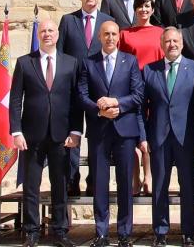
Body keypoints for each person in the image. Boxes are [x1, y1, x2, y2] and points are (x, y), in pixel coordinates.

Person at [9, 19, 83, 247]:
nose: (47, 34)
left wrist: (76, 131)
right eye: (43, 31)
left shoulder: (71, 63)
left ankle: (60, 231)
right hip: (31, 136)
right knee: (31, 185)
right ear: (38, 35)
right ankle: (31, 231)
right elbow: (15, 101)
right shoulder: (24, 63)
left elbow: (76, 102)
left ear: (58, 35)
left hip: (61, 135)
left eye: (51, 31)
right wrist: (16, 131)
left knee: (60, 184)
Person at [78, 21, 145, 247]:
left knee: (125, 183)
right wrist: (99, 109)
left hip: (125, 131)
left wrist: (117, 103)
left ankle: (125, 233)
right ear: (99, 37)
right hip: (99, 131)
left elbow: (138, 95)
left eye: (113, 34)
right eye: (105, 34)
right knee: (100, 183)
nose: (109, 37)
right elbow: (82, 95)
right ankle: (102, 232)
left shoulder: (130, 61)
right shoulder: (89, 63)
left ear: (119, 37)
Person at [141, 27, 194, 247]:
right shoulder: (149, 70)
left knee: (188, 186)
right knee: (159, 186)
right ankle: (160, 232)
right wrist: (143, 136)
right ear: (162, 45)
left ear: (182, 43)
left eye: (175, 41)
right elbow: (142, 108)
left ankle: (188, 233)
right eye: (167, 41)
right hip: (158, 137)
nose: (172, 44)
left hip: (187, 138)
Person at [58, 0, 115, 196]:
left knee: (96, 135)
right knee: (72, 133)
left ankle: (94, 179)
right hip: (72, 86)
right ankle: (72, 179)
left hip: (97, 86)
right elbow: (61, 53)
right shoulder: (68, 21)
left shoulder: (107, 20)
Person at [119, 0, 164, 195]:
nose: (143, 10)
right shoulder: (125, 34)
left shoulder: (160, 32)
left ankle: (149, 176)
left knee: (150, 132)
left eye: (147, 6)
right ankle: (134, 178)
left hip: (154, 85)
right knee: (133, 132)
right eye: (140, 6)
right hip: (131, 87)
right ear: (134, 10)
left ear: (152, 9)